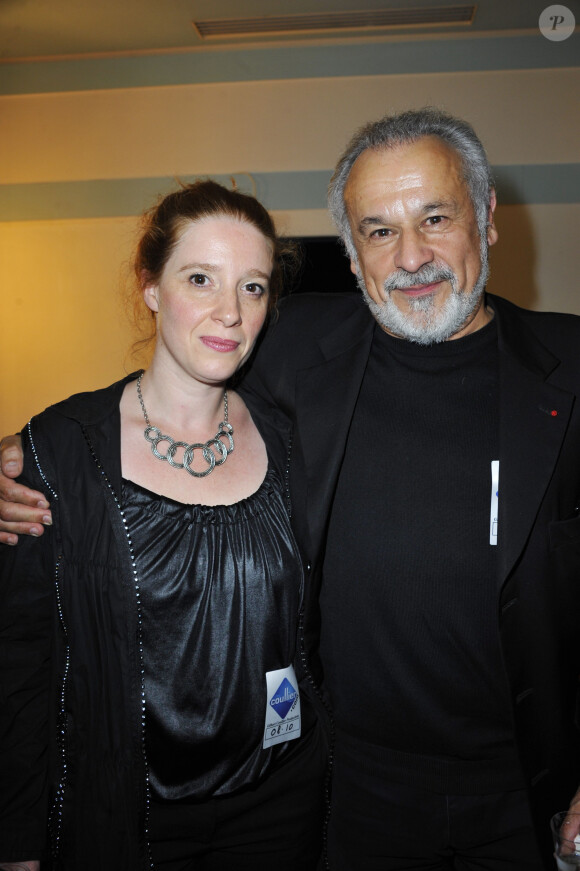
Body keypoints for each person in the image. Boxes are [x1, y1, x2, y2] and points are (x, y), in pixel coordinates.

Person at [1, 107, 579, 869]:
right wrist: (30, 453)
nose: (412, 256)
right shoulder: (300, 347)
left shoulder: (569, 367)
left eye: (435, 217)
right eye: (378, 230)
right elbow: (183, 367)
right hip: (343, 798)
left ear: (489, 217)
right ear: (351, 249)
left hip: (521, 791)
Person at [0, 181, 328, 871]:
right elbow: (19, 662)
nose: (230, 313)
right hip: (121, 817)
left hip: (280, 811)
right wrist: (17, 839)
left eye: (254, 287)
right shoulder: (59, 451)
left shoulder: (294, 443)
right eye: (200, 278)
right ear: (151, 287)